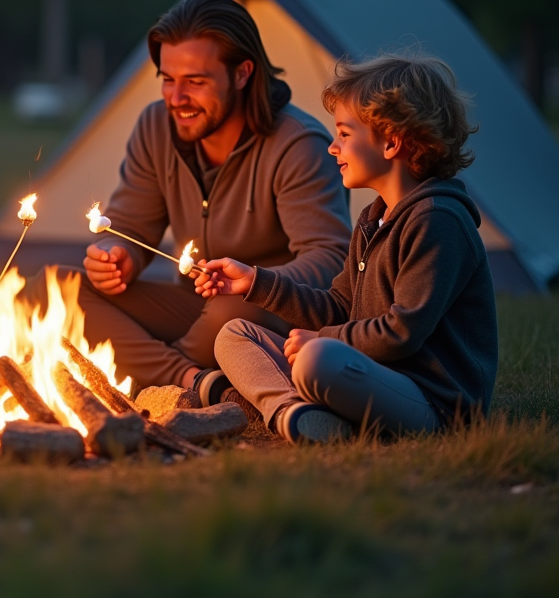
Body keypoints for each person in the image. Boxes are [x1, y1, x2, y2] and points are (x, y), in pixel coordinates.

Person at [197, 54, 498, 444]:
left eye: (343, 133)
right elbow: (339, 307)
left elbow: (402, 332)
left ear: (391, 141)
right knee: (234, 333)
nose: (332, 148)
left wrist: (325, 340)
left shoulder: (438, 221)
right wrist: (256, 282)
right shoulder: (374, 219)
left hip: (433, 404)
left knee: (317, 359)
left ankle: (268, 401)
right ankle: (297, 413)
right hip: (367, 372)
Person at [70, 0, 350, 399]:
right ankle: (193, 380)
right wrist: (118, 257)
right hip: (188, 309)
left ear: (241, 74)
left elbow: (329, 258)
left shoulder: (297, 144)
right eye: (167, 79)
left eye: (195, 82)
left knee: (228, 310)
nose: (176, 99)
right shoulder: (155, 127)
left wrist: (254, 282)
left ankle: (160, 375)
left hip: (258, 313)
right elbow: (130, 226)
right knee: (56, 285)